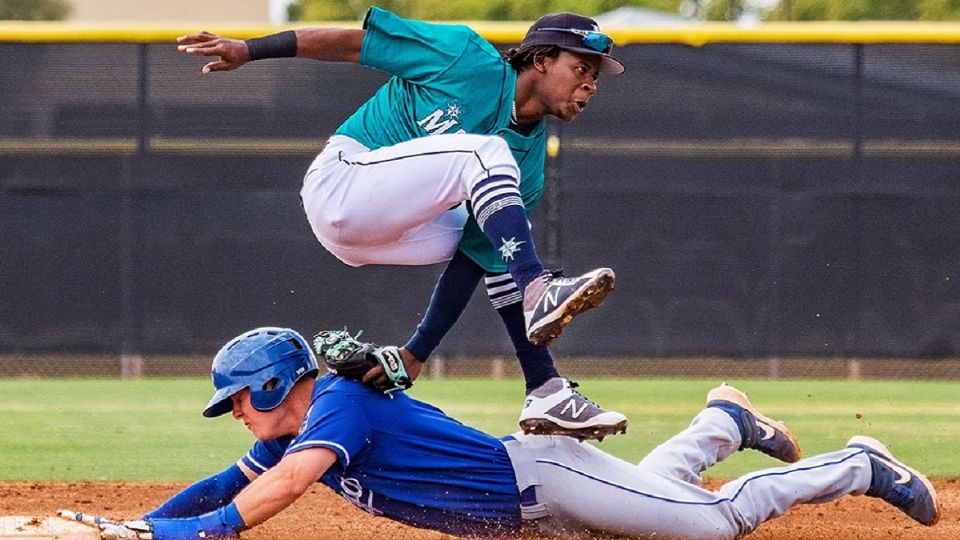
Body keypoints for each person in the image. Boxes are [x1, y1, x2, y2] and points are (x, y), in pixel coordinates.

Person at [175, 8, 628, 439]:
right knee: (487, 154)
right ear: (543, 59)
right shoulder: (466, 55)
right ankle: (537, 289)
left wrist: (416, 353)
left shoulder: (525, 168)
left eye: (594, 75)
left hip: (388, 230)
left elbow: (472, 260)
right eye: (581, 67)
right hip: (343, 182)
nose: (589, 85)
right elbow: (356, 44)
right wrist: (251, 49)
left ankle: (543, 388)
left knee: (505, 238)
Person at [61, 327, 941, 540]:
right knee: (656, 500)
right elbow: (226, 486)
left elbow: (276, 495)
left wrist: (192, 538)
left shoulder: (334, 405)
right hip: (534, 505)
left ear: (267, 388)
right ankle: (724, 421)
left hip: (541, 481)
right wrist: (150, 526)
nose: (238, 419)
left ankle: (854, 465)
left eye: (238, 403)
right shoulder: (296, 424)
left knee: (711, 526)